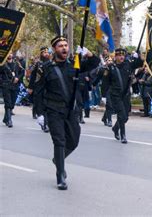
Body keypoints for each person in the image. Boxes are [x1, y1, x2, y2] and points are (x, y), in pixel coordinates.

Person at [34, 36, 100, 190]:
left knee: (74, 141)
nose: (64, 48)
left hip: (71, 110)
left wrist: (89, 54)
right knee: (59, 141)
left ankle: (58, 159)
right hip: (53, 110)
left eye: (66, 45)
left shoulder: (75, 65)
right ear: (54, 50)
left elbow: (94, 64)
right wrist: (40, 113)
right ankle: (60, 175)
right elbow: (38, 91)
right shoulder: (45, 68)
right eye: (60, 46)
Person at [101, 48, 144, 144]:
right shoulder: (110, 67)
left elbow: (140, 63)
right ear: (115, 56)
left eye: (123, 55)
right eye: (119, 55)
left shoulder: (128, 64)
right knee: (121, 114)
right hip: (115, 95)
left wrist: (139, 55)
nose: (121, 57)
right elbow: (105, 83)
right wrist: (103, 96)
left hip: (126, 94)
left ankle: (116, 128)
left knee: (125, 117)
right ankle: (123, 135)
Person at [28, 46, 51, 132]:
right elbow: (33, 76)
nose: (46, 54)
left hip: (48, 88)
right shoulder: (37, 64)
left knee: (47, 106)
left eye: (47, 52)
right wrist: (30, 87)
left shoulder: (51, 63)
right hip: (38, 88)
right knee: (39, 106)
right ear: (41, 53)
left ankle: (46, 124)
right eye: (44, 52)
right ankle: (43, 121)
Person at [1, 53, 24, 127]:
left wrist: (18, 78)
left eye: (11, 53)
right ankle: (9, 121)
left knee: (12, 102)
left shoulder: (16, 63)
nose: (9, 55)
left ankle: (5, 119)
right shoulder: (2, 64)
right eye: (8, 53)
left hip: (15, 86)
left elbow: (22, 71)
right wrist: (2, 82)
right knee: (8, 102)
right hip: (6, 85)